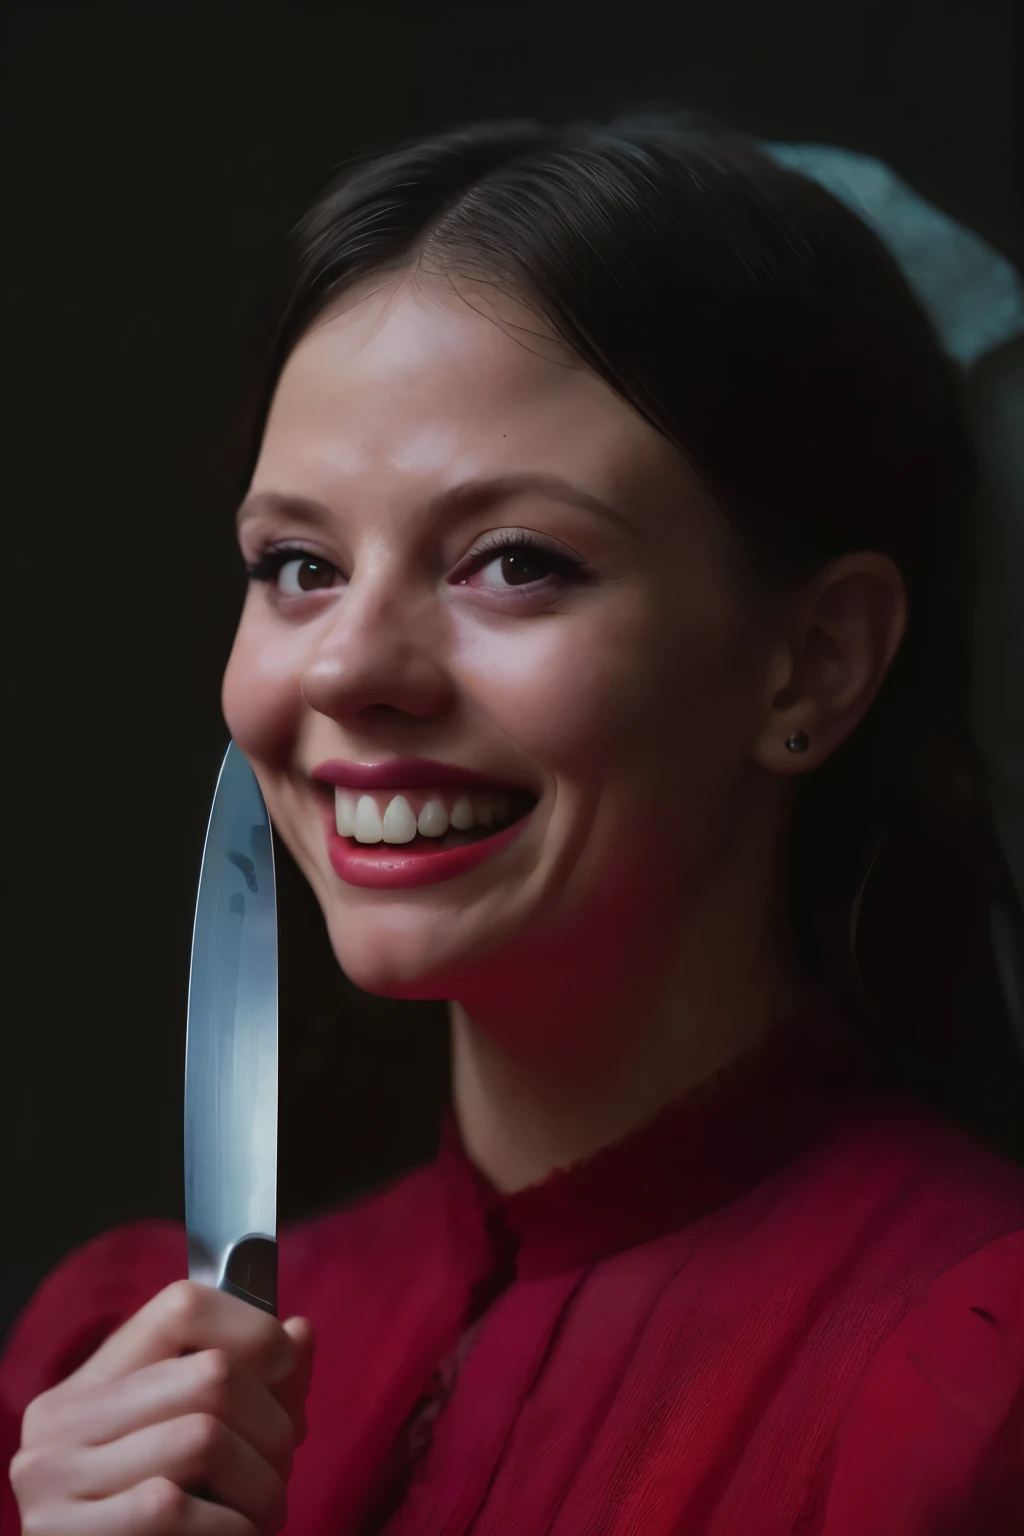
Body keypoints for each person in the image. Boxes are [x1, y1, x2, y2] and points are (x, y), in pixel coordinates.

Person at [4, 115, 1024, 1536]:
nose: (349, 669)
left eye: (515, 562)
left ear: (815, 664)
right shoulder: (98, 1388)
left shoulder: (973, 1387)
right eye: (297, 564)